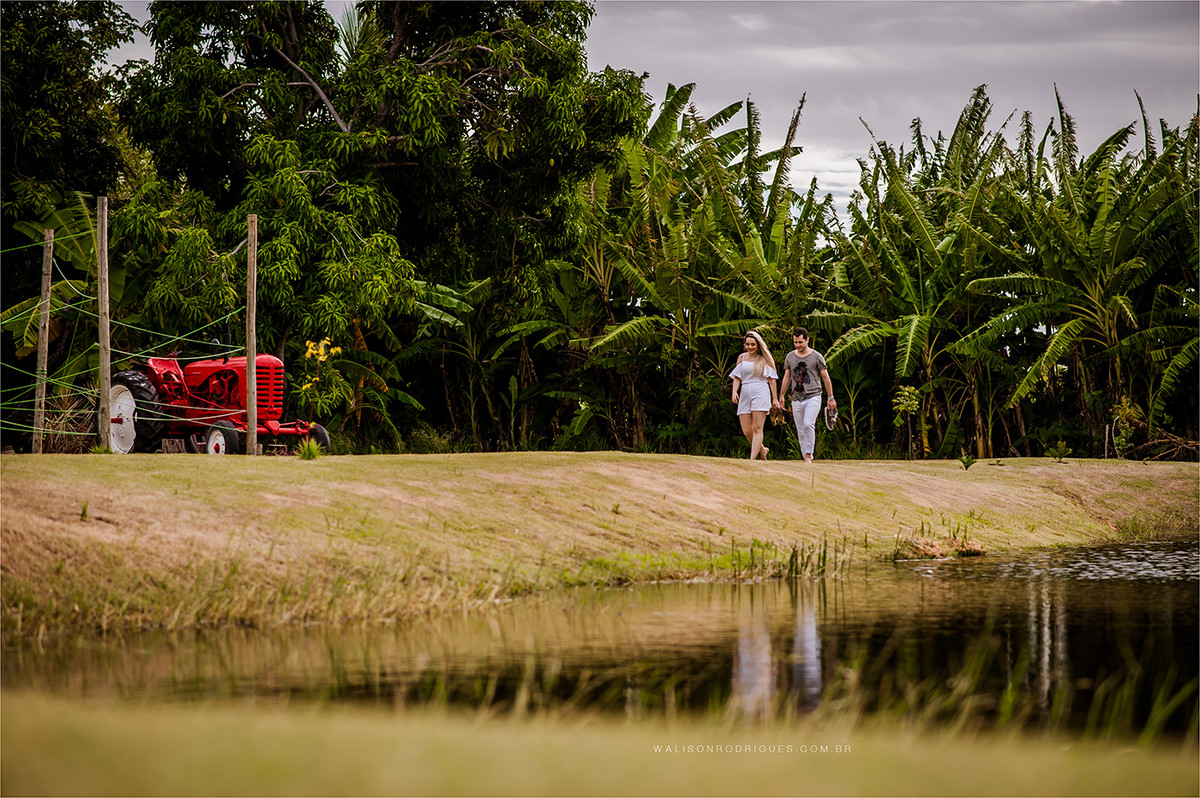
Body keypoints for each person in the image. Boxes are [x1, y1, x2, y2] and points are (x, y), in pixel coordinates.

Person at [775, 327, 837, 462]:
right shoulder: (790, 357)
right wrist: (781, 396)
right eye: (795, 342)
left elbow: (825, 377)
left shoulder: (816, 356)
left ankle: (809, 454)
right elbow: (786, 377)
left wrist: (831, 397)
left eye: (800, 342)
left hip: (813, 395)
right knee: (800, 429)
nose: (798, 345)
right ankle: (806, 458)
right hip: (796, 397)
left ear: (807, 340)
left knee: (808, 423)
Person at [729, 330, 779, 460]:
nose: (750, 347)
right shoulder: (742, 358)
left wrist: (775, 398)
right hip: (745, 392)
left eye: (753, 344)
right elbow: (737, 377)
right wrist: (734, 391)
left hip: (760, 391)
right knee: (747, 430)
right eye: (748, 344)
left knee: (757, 427)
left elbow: (772, 379)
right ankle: (762, 450)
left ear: (758, 345)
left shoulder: (764, 359)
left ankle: (752, 460)